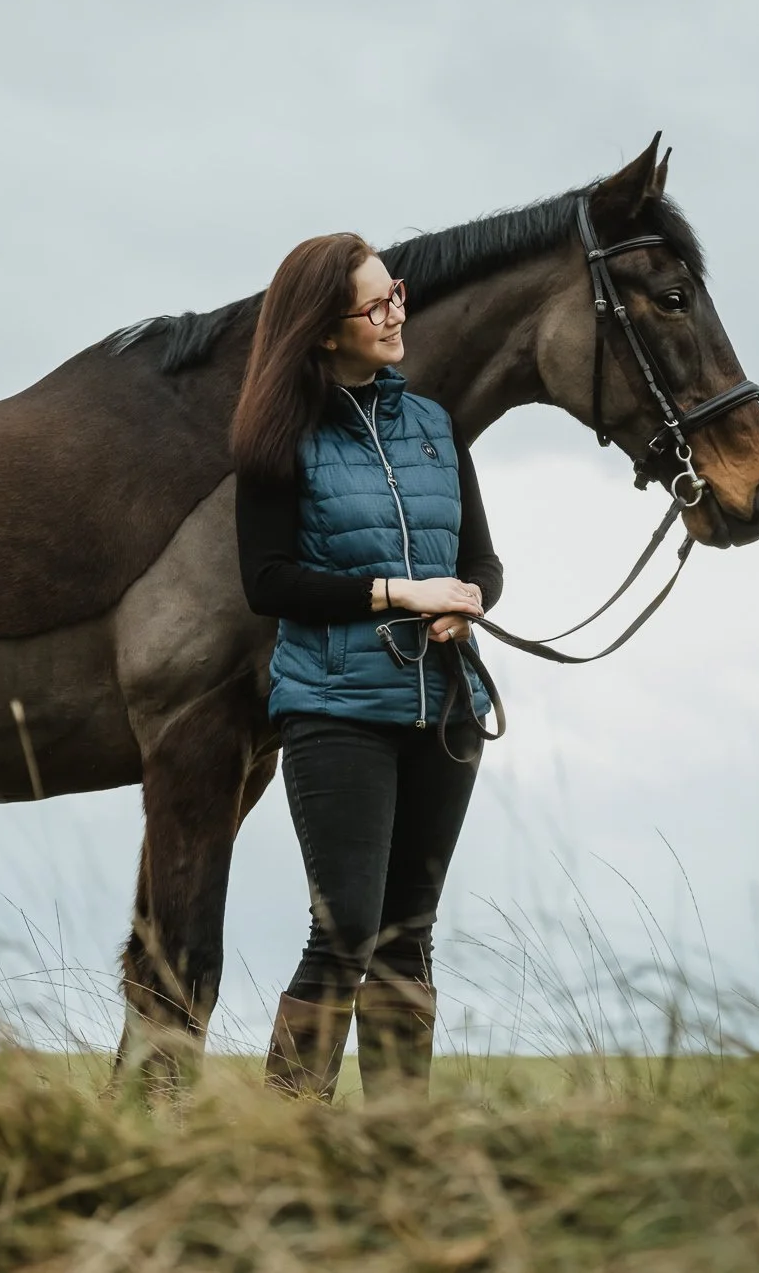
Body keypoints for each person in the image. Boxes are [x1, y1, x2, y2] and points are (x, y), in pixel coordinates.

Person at [231, 231, 502, 1103]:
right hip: (336, 708)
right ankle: (287, 1135)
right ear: (321, 329)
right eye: (375, 304)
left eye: (398, 297)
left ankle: (399, 1148)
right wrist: (400, 594)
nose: (395, 315)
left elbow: (481, 562)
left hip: (446, 710)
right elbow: (268, 581)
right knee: (346, 927)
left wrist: (466, 603)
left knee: (408, 935)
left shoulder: (434, 425)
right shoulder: (276, 438)